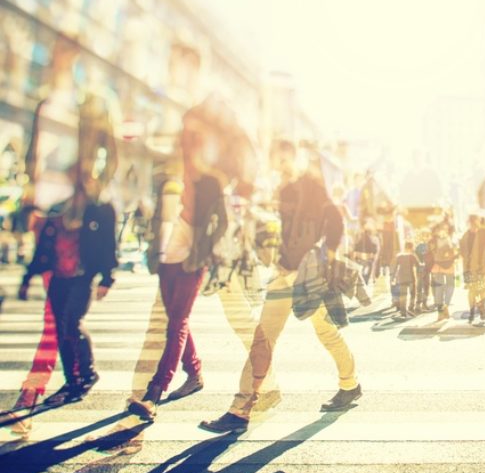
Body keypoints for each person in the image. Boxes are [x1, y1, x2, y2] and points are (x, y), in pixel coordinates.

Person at [199, 144, 361, 434]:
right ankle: (241, 408)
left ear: (294, 158)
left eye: (284, 159)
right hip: (283, 274)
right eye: (277, 160)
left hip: (308, 277)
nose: (280, 165)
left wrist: (328, 259)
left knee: (325, 332)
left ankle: (350, 384)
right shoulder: (280, 191)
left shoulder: (310, 185)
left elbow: (334, 220)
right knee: (264, 337)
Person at [127, 99, 241, 420]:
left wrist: (209, 253)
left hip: (193, 257)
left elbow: (224, 224)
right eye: (184, 136)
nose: (187, 142)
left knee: (177, 322)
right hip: (167, 255)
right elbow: (154, 218)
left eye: (194, 137)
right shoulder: (167, 174)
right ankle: (194, 374)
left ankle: (154, 392)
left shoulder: (212, 180)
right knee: (176, 318)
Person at [18, 178, 117, 406]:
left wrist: (106, 277)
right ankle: (73, 379)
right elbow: (43, 249)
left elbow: (107, 244)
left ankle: (86, 375)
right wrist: (27, 278)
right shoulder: (56, 216)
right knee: (63, 330)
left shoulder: (97, 212)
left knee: (72, 323)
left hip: (82, 278)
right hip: (59, 279)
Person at [459, 214, 485, 326]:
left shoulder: (482, 233)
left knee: (481, 290)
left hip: (480, 267)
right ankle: (474, 310)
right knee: (475, 291)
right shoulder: (466, 236)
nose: (474, 224)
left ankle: (479, 307)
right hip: (471, 268)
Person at [428, 223, 458, 321]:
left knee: (438, 288)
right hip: (449, 265)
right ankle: (446, 305)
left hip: (436, 266)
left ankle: (441, 313)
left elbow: (428, 254)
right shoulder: (449, 239)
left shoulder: (431, 241)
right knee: (451, 285)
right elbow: (455, 251)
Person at [392, 241, 417, 317]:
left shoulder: (399, 256)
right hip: (411, 277)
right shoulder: (412, 256)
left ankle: (403, 311)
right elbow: (418, 265)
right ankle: (411, 308)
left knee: (403, 295)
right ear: (412, 247)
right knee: (412, 293)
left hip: (401, 278)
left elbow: (395, 268)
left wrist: (393, 278)